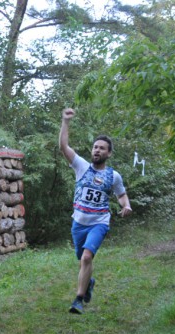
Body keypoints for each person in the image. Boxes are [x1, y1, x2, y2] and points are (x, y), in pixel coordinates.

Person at [59, 108, 132, 314]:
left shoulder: (113, 176)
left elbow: (121, 195)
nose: (97, 150)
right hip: (79, 222)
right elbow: (63, 146)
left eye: (102, 148)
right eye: (95, 147)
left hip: (99, 222)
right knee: (81, 259)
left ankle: (78, 300)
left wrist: (126, 205)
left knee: (87, 258)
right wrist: (65, 122)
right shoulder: (81, 167)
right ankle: (88, 282)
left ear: (108, 153)